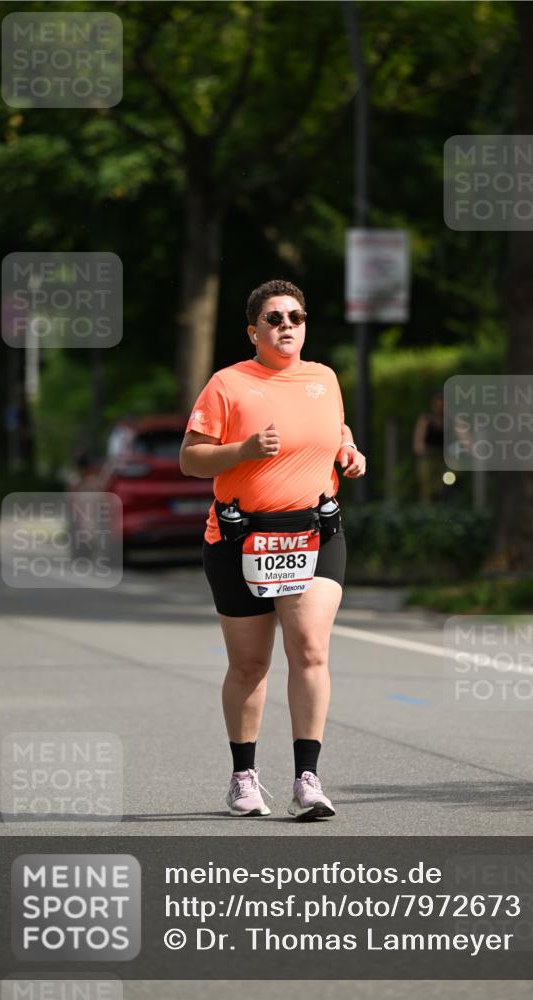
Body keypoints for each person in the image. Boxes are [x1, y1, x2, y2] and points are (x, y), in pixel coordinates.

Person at [180, 279, 366, 820]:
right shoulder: (228, 384)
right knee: (251, 663)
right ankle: (244, 778)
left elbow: (336, 430)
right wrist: (242, 449)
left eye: (296, 317)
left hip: (314, 533)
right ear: (253, 331)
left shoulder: (324, 378)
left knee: (309, 647)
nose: (287, 325)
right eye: (274, 318)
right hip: (241, 539)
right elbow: (192, 459)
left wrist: (349, 451)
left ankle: (307, 780)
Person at [412, 388, 446, 502]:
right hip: (428, 458)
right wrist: (423, 451)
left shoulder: (452, 420)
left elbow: (465, 438)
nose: (441, 404)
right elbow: (418, 443)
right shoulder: (426, 420)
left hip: (444, 460)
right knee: (427, 485)